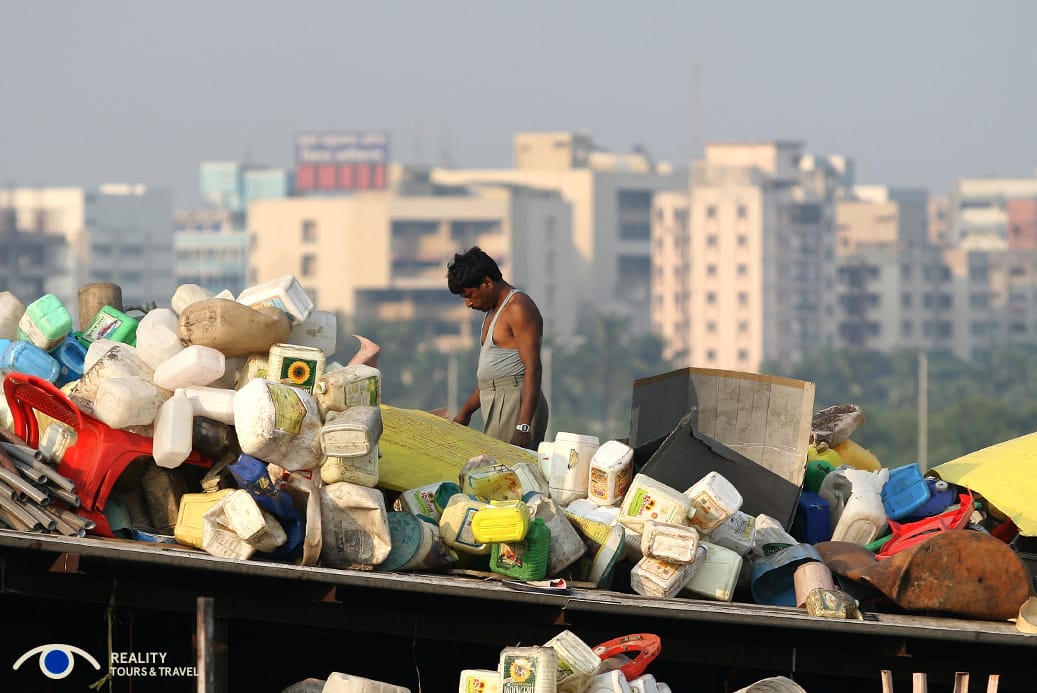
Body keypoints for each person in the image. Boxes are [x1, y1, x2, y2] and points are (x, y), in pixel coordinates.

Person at [447, 246, 548, 450]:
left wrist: (523, 426)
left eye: (470, 295)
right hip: (497, 401)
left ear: (487, 283)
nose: (468, 303)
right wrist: (464, 413)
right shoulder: (492, 312)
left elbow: (533, 370)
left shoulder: (518, 308)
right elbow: (493, 378)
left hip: (516, 405)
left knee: (505, 475)